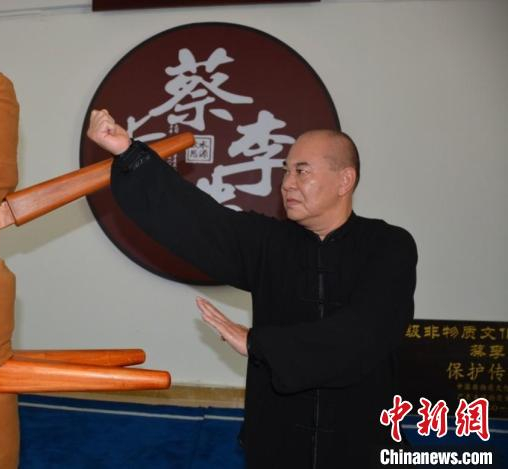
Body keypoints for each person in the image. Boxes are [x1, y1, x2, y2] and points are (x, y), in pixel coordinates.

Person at [87, 109, 417, 469]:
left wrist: (259, 344)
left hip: (364, 448)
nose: (287, 183)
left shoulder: (388, 246)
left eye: (302, 171)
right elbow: (197, 220)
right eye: (286, 171)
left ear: (345, 180)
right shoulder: (268, 242)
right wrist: (129, 153)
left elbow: (366, 331)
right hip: (277, 446)